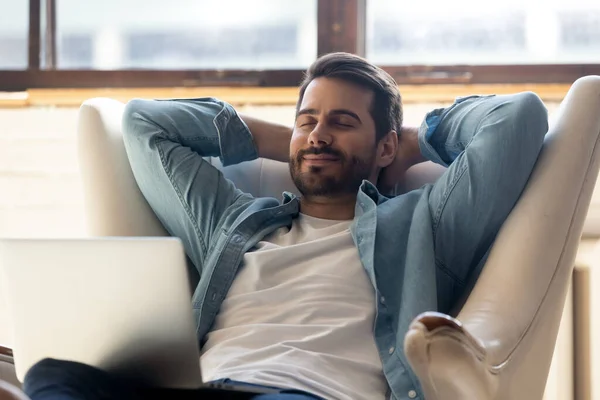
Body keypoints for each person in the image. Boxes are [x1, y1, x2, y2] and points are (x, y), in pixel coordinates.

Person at [23, 52, 548, 400]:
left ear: (385, 145)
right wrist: (295, 139)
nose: (320, 133)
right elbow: (145, 123)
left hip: (312, 395)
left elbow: (518, 117)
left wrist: (410, 142)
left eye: (343, 122)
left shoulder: (420, 225)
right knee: (52, 376)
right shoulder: (235, 222)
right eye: (308, 118)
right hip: (205, 387)